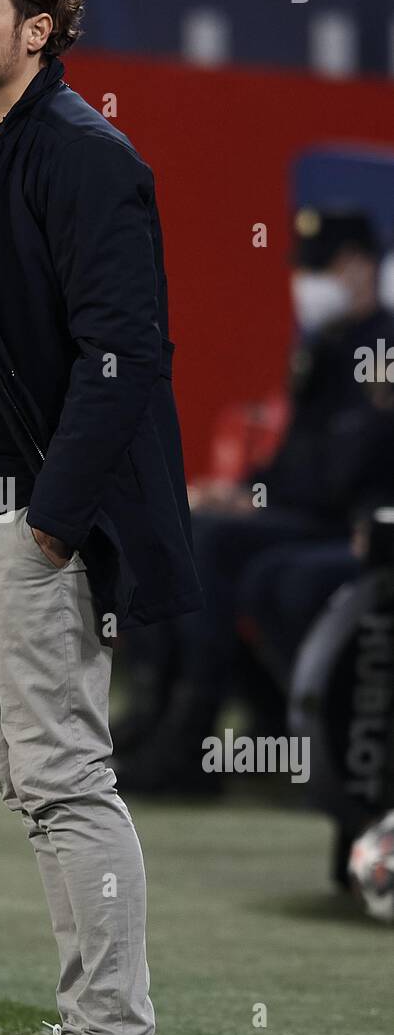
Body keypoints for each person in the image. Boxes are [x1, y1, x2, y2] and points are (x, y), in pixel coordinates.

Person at [0, 0, 202, 1035]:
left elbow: (125, 352)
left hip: (35, 524)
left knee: (69, 779)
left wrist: (50, 523)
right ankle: (92, 1030)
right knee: (37, 783)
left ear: (37, 30)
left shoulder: (82, 157)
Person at [120, 208, 394, 795]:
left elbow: (348, 469)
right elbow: (299, 454)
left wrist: (260, 503)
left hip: (351, 523)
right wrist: (246, 489)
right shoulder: (327, 346)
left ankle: (192, 733)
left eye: (327, 266)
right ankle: (161, 705)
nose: (312, 282)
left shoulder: (383, 350)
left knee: (219, 547)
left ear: (363, 267)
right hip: (307, 514)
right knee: (173, 527)